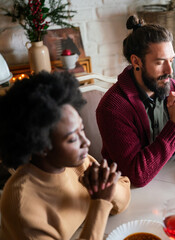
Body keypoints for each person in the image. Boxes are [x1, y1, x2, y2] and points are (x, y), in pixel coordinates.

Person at [0, 72, 131, 240]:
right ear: (41, 147)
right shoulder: (22, 205)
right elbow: (103, 204)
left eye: (81, 129)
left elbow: (123, 201)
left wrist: (109, 187)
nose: (87, 143)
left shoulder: (78, 164)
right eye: (72, 139)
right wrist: (100, 202)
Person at [96, 16, 175, 187]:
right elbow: (136, 176)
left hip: (171, 181)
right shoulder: (112, 107)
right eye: (160, 62)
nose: (170, 71)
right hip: (130, 193)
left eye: (171, 60)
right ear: (136, 61)